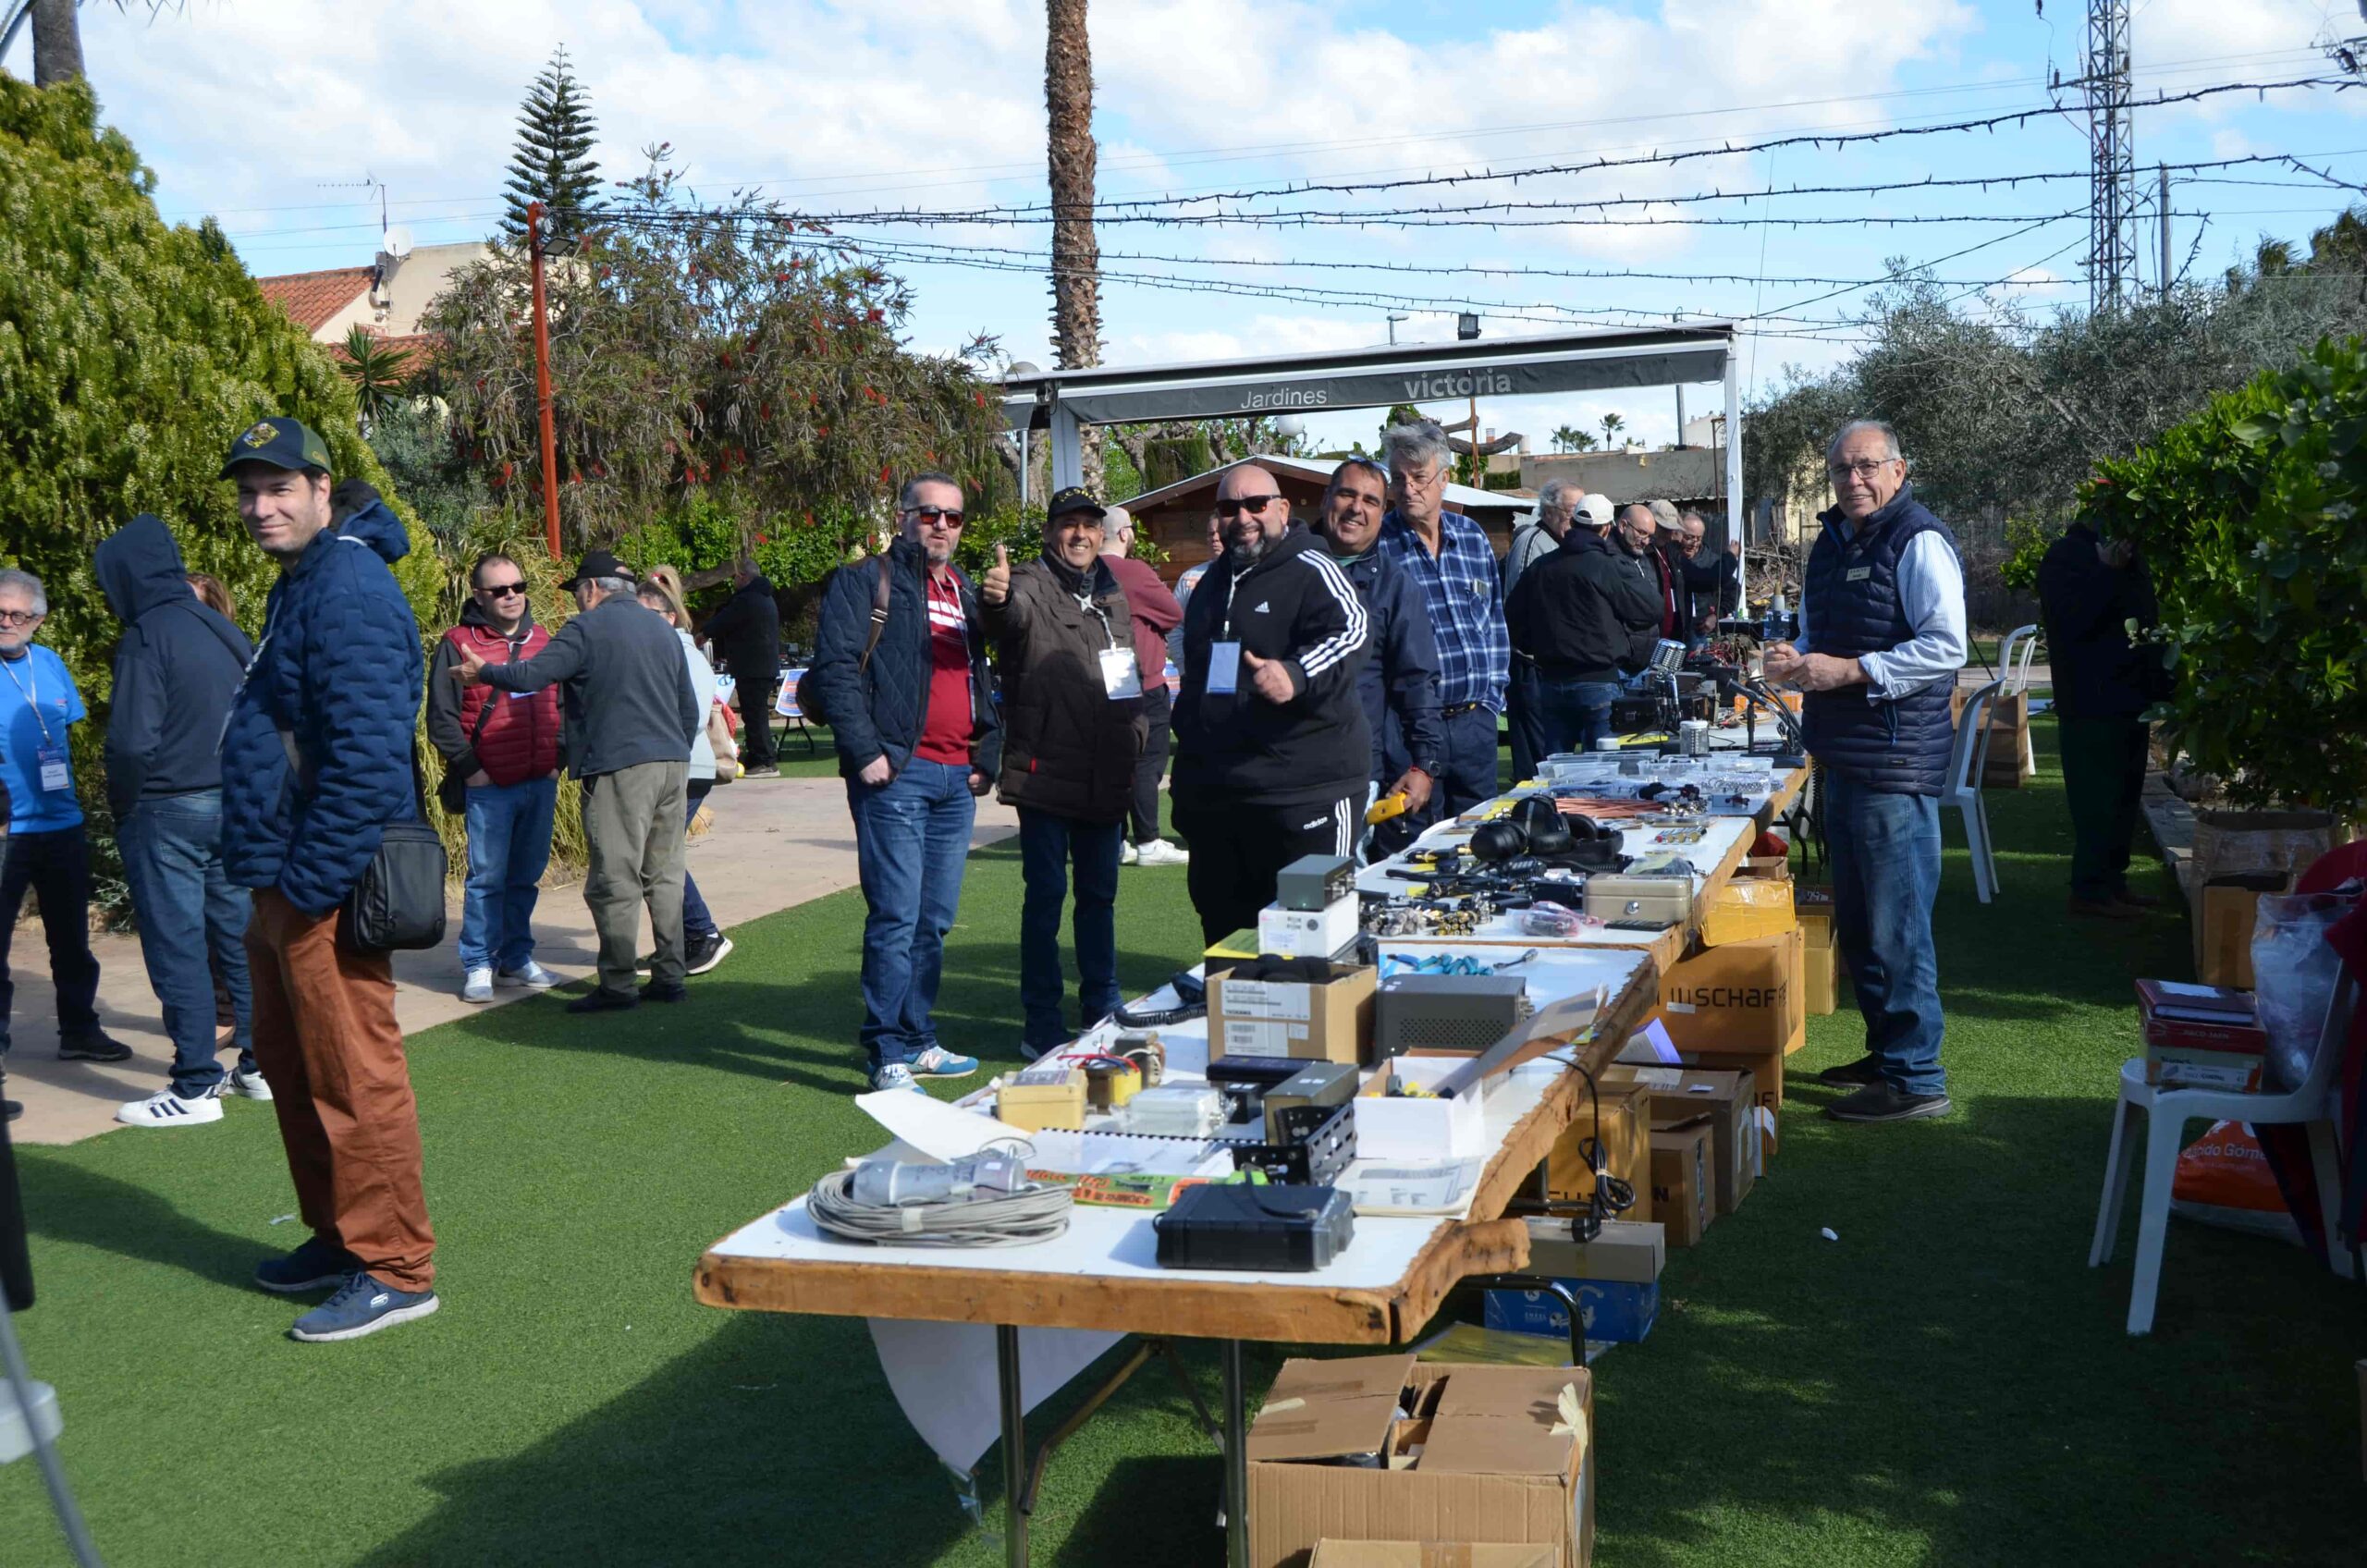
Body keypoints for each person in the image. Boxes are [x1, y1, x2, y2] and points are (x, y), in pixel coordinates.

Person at [215, 419, 437, 1341]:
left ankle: (396, 1266)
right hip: (283, 874)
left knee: (355, 1077)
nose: (260, 507)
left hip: (324, 882)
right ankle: (343, 1238)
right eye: (248, 491)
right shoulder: (304, 580)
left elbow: (368, 757)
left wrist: (307, 886)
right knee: (297, 1069)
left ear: (320, 486)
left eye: (278, 489)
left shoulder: (345, 585)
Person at [1764, 419, 1966, 1124]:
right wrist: (1799, 657)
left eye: (1867, 466)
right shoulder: (1835, 541)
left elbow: (1946, 647)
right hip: (1847, 754)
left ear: (1899, 471)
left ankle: (1916, 1077)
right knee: (1862, 920)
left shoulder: (1918, 540)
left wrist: (1849, 670)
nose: (1854, 479)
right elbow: (1830, 635)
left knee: (1896, 924)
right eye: (1842, 469)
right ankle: (1888, 1057)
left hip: (1890, 761)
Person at [810, 472, 999, 1093]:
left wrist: (985, 754)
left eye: (953, 517)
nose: (942, 525)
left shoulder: (967, 590)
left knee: (934, 920)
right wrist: (866, 752)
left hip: (955, 777)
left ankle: (919, 1038)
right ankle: (887, 1050)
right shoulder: (866, 581)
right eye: (929, 514)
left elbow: (985, 680)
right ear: (903, 516)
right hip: (897, 773)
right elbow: (835, 670)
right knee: (895, 915)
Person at [455, 550, 700, 1012]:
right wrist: (675, 753)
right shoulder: (660, 627)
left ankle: (619, 984)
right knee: (664, 876)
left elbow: (532, 674)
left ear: (591, 590)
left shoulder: (586, 629)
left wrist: (482, 672)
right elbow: (688, 708)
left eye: (577, 594)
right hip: (671, 764)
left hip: (621, 768)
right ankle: (670, 975)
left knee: (615, 878)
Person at [96, 516, 266, 1128]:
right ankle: (257, 1063)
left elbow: (131, 743)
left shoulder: (148, 633)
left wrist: (124, 803)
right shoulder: (219, 627)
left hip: (167, 806)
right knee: (238, 934)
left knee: (177, 944)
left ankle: (195, 1085)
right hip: (231, 802)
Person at [1171, 462, 1370, 946]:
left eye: (1256, 504)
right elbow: (1201, 676)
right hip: (1224, 801)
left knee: (1312, 939)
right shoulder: (1209, 585)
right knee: (1226, 941)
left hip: (1306, 794)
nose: (1243, 517)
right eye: (1229, 507)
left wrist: (1295, 673)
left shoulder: (1313, 568)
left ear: (1282, 508)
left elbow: (1353, 630)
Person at [981, 487, 1147, 1058]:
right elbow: (1009, 617)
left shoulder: (1110, 590)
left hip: (1106, 770)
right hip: (1046, 769)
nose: (1080, 534)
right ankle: (1041, 1022)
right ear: (1052, 532)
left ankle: (1101, 1004)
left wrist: (1137, 734)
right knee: (1046, 898)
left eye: (1089, 525)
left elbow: (1125, 673)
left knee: (1099, 896)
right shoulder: (1026, 581)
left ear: (1103, 533)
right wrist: (997, 601)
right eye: (1069, 525)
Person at [0, 568, 132, 1126]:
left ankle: (79, 1030)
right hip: (5, 834)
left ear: (39, 620)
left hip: (60, 823)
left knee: (71, 940)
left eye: (19, 615)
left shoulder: (49, 663)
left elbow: (61, 732)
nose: (7, 623)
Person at [425, 554, 562, 1005]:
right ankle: (478, 962)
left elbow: (564, 705)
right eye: (500, 590)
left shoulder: (544, 640)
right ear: (479, 596)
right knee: (486, 878)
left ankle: (516, 957)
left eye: (518, 587)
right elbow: (441, 718)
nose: (512, 596)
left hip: (539, 780)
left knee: (526, 875)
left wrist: (557, 758)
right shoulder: (458, 643)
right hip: (490, 785)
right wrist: (472, 769)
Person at [1378, 420, 1508, 823]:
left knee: (1479, 845)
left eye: (1419, 477)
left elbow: (1494, 626)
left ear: (1444, 479)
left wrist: (1492, 700)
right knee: (1414, 851)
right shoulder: (1379, 547)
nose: (1408, 488)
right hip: (1411, 732)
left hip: (1475, 723)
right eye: (1398, 479)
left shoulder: (1471, 536)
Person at [1316, 457, 1442, 858]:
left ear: (1382, 512)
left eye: (1370, 500)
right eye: (1347, 494)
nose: (1357, 508)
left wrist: (1424, 764)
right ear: (1326, 500)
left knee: (1340, 892)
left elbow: (1417, 680)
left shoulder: (1394, 584)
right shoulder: (1287, 569)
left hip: (1357, 772)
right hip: (1283, 771)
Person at [2040, 521, 2166, 920]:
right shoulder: (2067, 556)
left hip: (2130, 697)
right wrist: (2106, 571)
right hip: (2090, 701)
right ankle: (2090, 889)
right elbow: (2071, 621)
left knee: (2125, 794)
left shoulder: (2131, 557)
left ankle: (2113, 881)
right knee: (2097, 798)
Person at [1508, 490, 1663, 757]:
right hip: (1598, 679)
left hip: (1552, 681)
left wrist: (1537, 644)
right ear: (1606, 529)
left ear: (1574, 523)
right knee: (1602, 769)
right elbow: (1652, 608)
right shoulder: (1608, 566)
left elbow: (1512, 618)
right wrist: (1623, 625)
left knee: (1556, 771)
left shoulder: (1542, 567)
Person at [637, 575, 734, 974]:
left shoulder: (686, 655)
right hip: (672, 766)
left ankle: (703, 934)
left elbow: (688, 717)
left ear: (672, 616)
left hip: (686, 769)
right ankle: (682, 940)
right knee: (657, 856)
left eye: (651, 616)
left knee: (659, 857)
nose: (641, 624)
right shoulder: (653, 650)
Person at [1098, 502, 1190, 867]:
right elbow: (1172, 612)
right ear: (1124, 533)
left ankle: (1117, 841)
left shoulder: (1083, 569)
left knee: (1111, 765)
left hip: (1100, 683)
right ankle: (1149, 840)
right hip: (1142, 681)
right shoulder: (1133, 571)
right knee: (1147, 763)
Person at [1501, 479, 1583, 779]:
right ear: (1550, 511)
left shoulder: (1562, 545)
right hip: (1530, 666)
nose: (1577, 520)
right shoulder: (1533, 542)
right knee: (1536, 762)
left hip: (1552, 666)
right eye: (1573, 512)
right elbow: (1520, 606)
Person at [700, 557, 783, 776]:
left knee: (754, 715)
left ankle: (764, 760)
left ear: (744, 577)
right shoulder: (765, 598)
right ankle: (760, 756)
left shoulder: (747, 600)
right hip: (762, 666)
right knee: (756, 714)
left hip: (753, 667)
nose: (733, 580)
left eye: (736, 576)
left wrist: (701, 635)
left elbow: (721, 622)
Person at [1677, 509, 1742, 646]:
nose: (1694, 543)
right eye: (1689, 537)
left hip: (1699, 634)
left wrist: (1717, 615)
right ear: (1677, 534)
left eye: (1698, 538)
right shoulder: (1671, 559)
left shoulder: (1712, 562)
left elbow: (1733, 589)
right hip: (1673, 633)